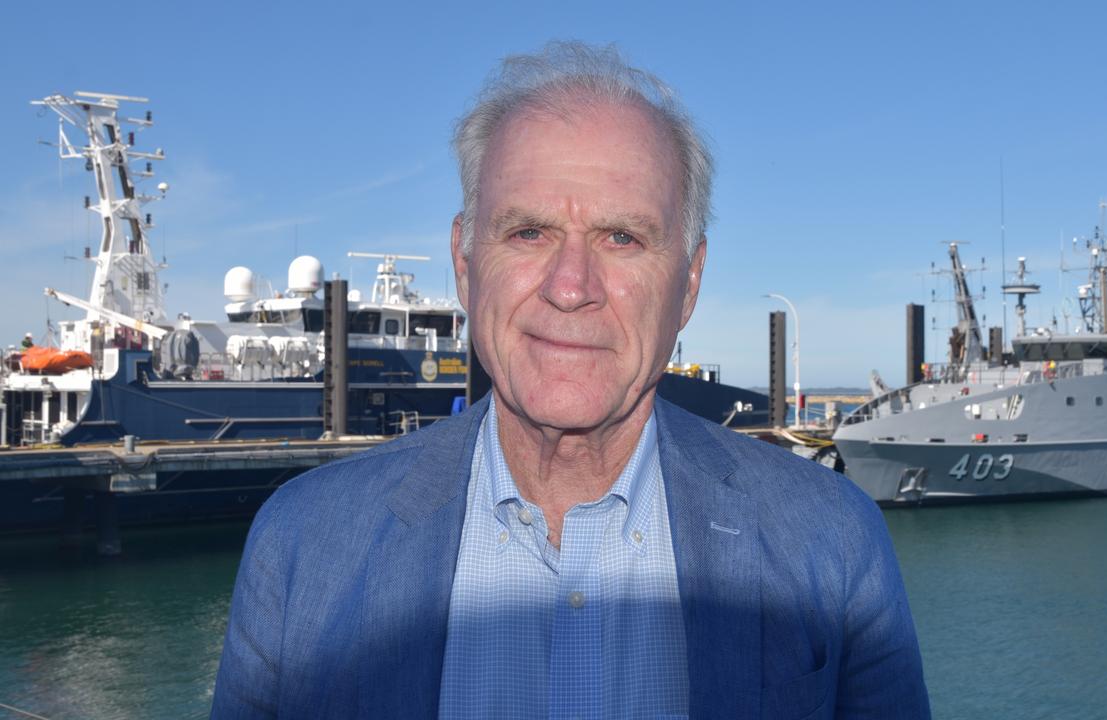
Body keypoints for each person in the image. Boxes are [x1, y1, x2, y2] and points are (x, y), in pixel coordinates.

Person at [212, 41, 929, 719]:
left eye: (623, 237)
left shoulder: (831, 544)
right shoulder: (301, 546)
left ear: (689, 283)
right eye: (529, 232)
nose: (570, 286)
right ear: (465, 263)